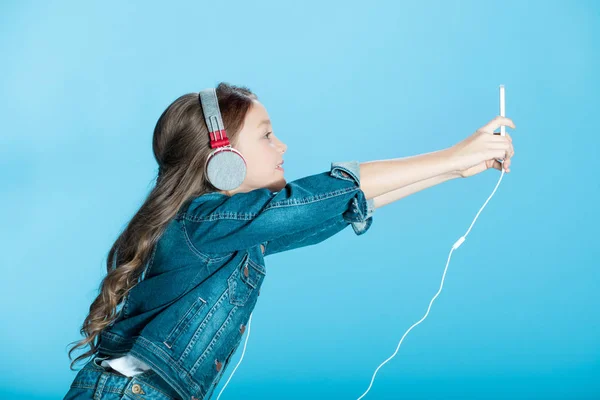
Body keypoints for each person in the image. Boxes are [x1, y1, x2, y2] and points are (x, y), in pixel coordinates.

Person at [63, 82, 515, 400]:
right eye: (266, 135)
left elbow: (332, 211)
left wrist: (454, 170)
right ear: (223, 160)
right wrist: (452, 154)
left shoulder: (229, 234)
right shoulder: (202, 223)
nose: (282, 146)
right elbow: (317, 197)